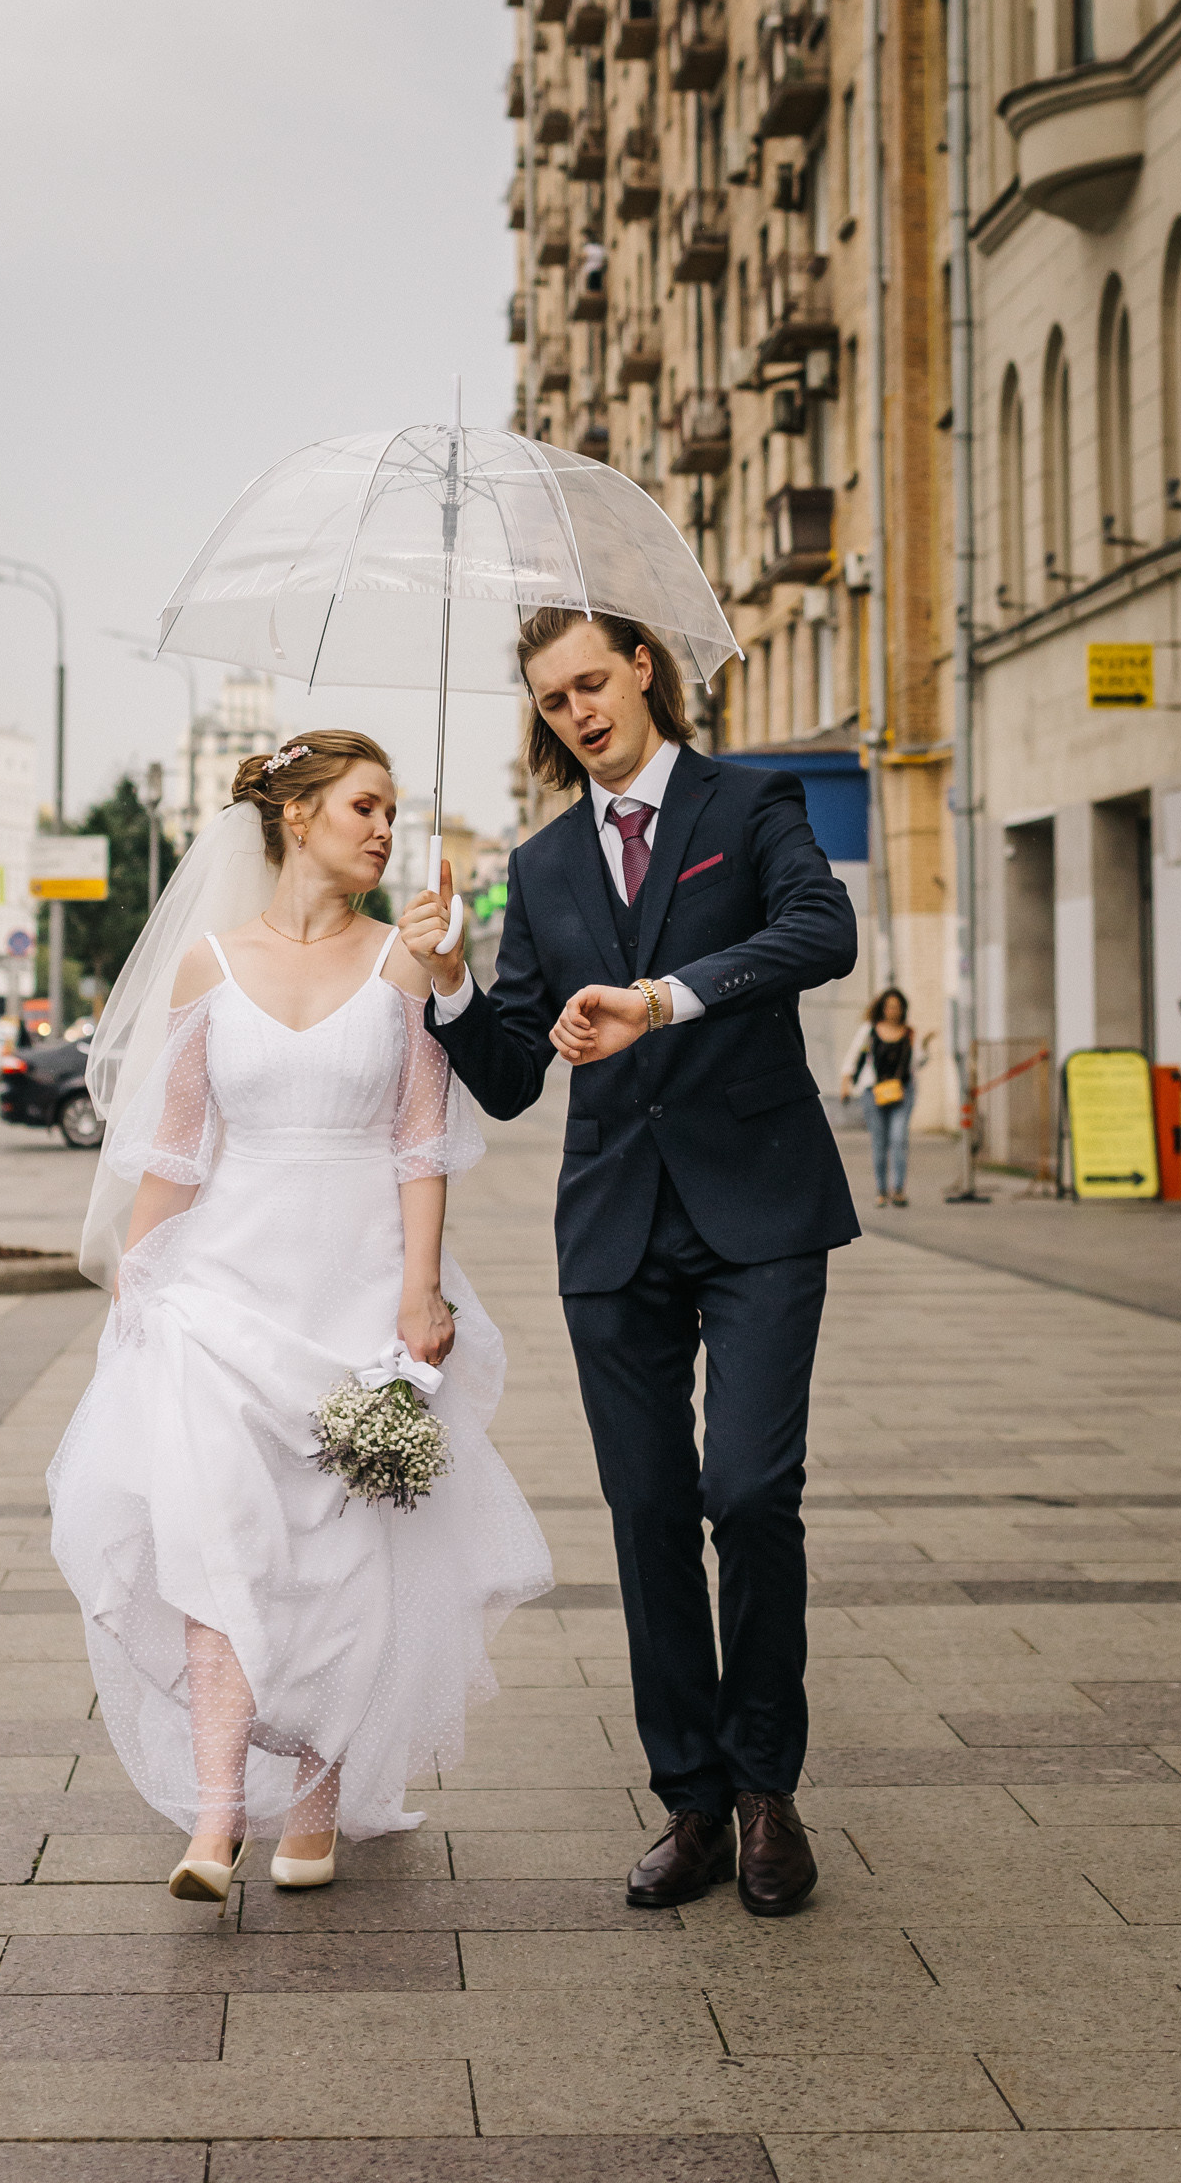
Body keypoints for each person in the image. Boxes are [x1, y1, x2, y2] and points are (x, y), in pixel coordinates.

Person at [400, 610, 858, 1925]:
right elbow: (508, 1073)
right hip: (614, 1222)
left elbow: (820, 931)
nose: (580, 713)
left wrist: (662, 998)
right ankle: (694, 1802)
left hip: (760, 1201)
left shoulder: (749, 802)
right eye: (555, 700)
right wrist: (451, 978)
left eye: (593, 682)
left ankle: (767, 1789)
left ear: (643, 668)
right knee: (648, 1509)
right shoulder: (543, 864)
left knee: (750, 1491)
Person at [47, 732, 549, 1903]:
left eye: (392, 810)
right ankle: (217, 1813)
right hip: (226, 1290)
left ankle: (318, 1800)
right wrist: (138, 1271)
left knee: (344, 1557)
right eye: (364, 806)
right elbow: (177, 1145)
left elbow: (420, 1143)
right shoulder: (209, 965)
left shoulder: (405, 962)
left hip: (361, 1289)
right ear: (297, 815)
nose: (385, 829)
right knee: (217, 1537)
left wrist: (421, 1289)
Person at [839, 987, 929, 1209]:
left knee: (899, 1139)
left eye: (897, 1007)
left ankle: (898, 1190)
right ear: (882, 1008)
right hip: (873, 1092)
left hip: (902, 1092)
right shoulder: (869, 1030)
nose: (893, 1011)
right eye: (889, 1007)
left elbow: (917, 1061)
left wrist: (925, 1047)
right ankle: (881, 1190)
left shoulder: (909, 1033)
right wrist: (845, 1083)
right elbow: (854, 1056)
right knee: (879, 1141)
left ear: (903, 1009)